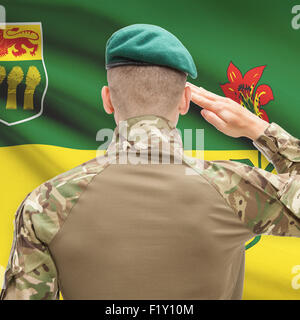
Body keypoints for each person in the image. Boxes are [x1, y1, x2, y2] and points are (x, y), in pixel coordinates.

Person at [1, 23, 300, 300]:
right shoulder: (235, 188)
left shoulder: (45, 204)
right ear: (185, 100)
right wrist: (258, 130)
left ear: (107, 99)